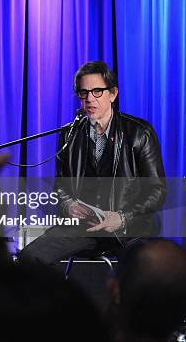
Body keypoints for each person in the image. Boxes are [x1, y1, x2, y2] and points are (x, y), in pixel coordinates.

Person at [19, 61, 166, 268]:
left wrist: (123, 217)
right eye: (83, 93)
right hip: (83, 227)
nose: (89, 98)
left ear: (113, 94)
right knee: (28, 259)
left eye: (97, 91)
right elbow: (61, 187)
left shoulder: (140, 133)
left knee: (144, 272)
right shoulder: (70, 135)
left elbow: (157, 191)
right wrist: (68, 205)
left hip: (130, 228)